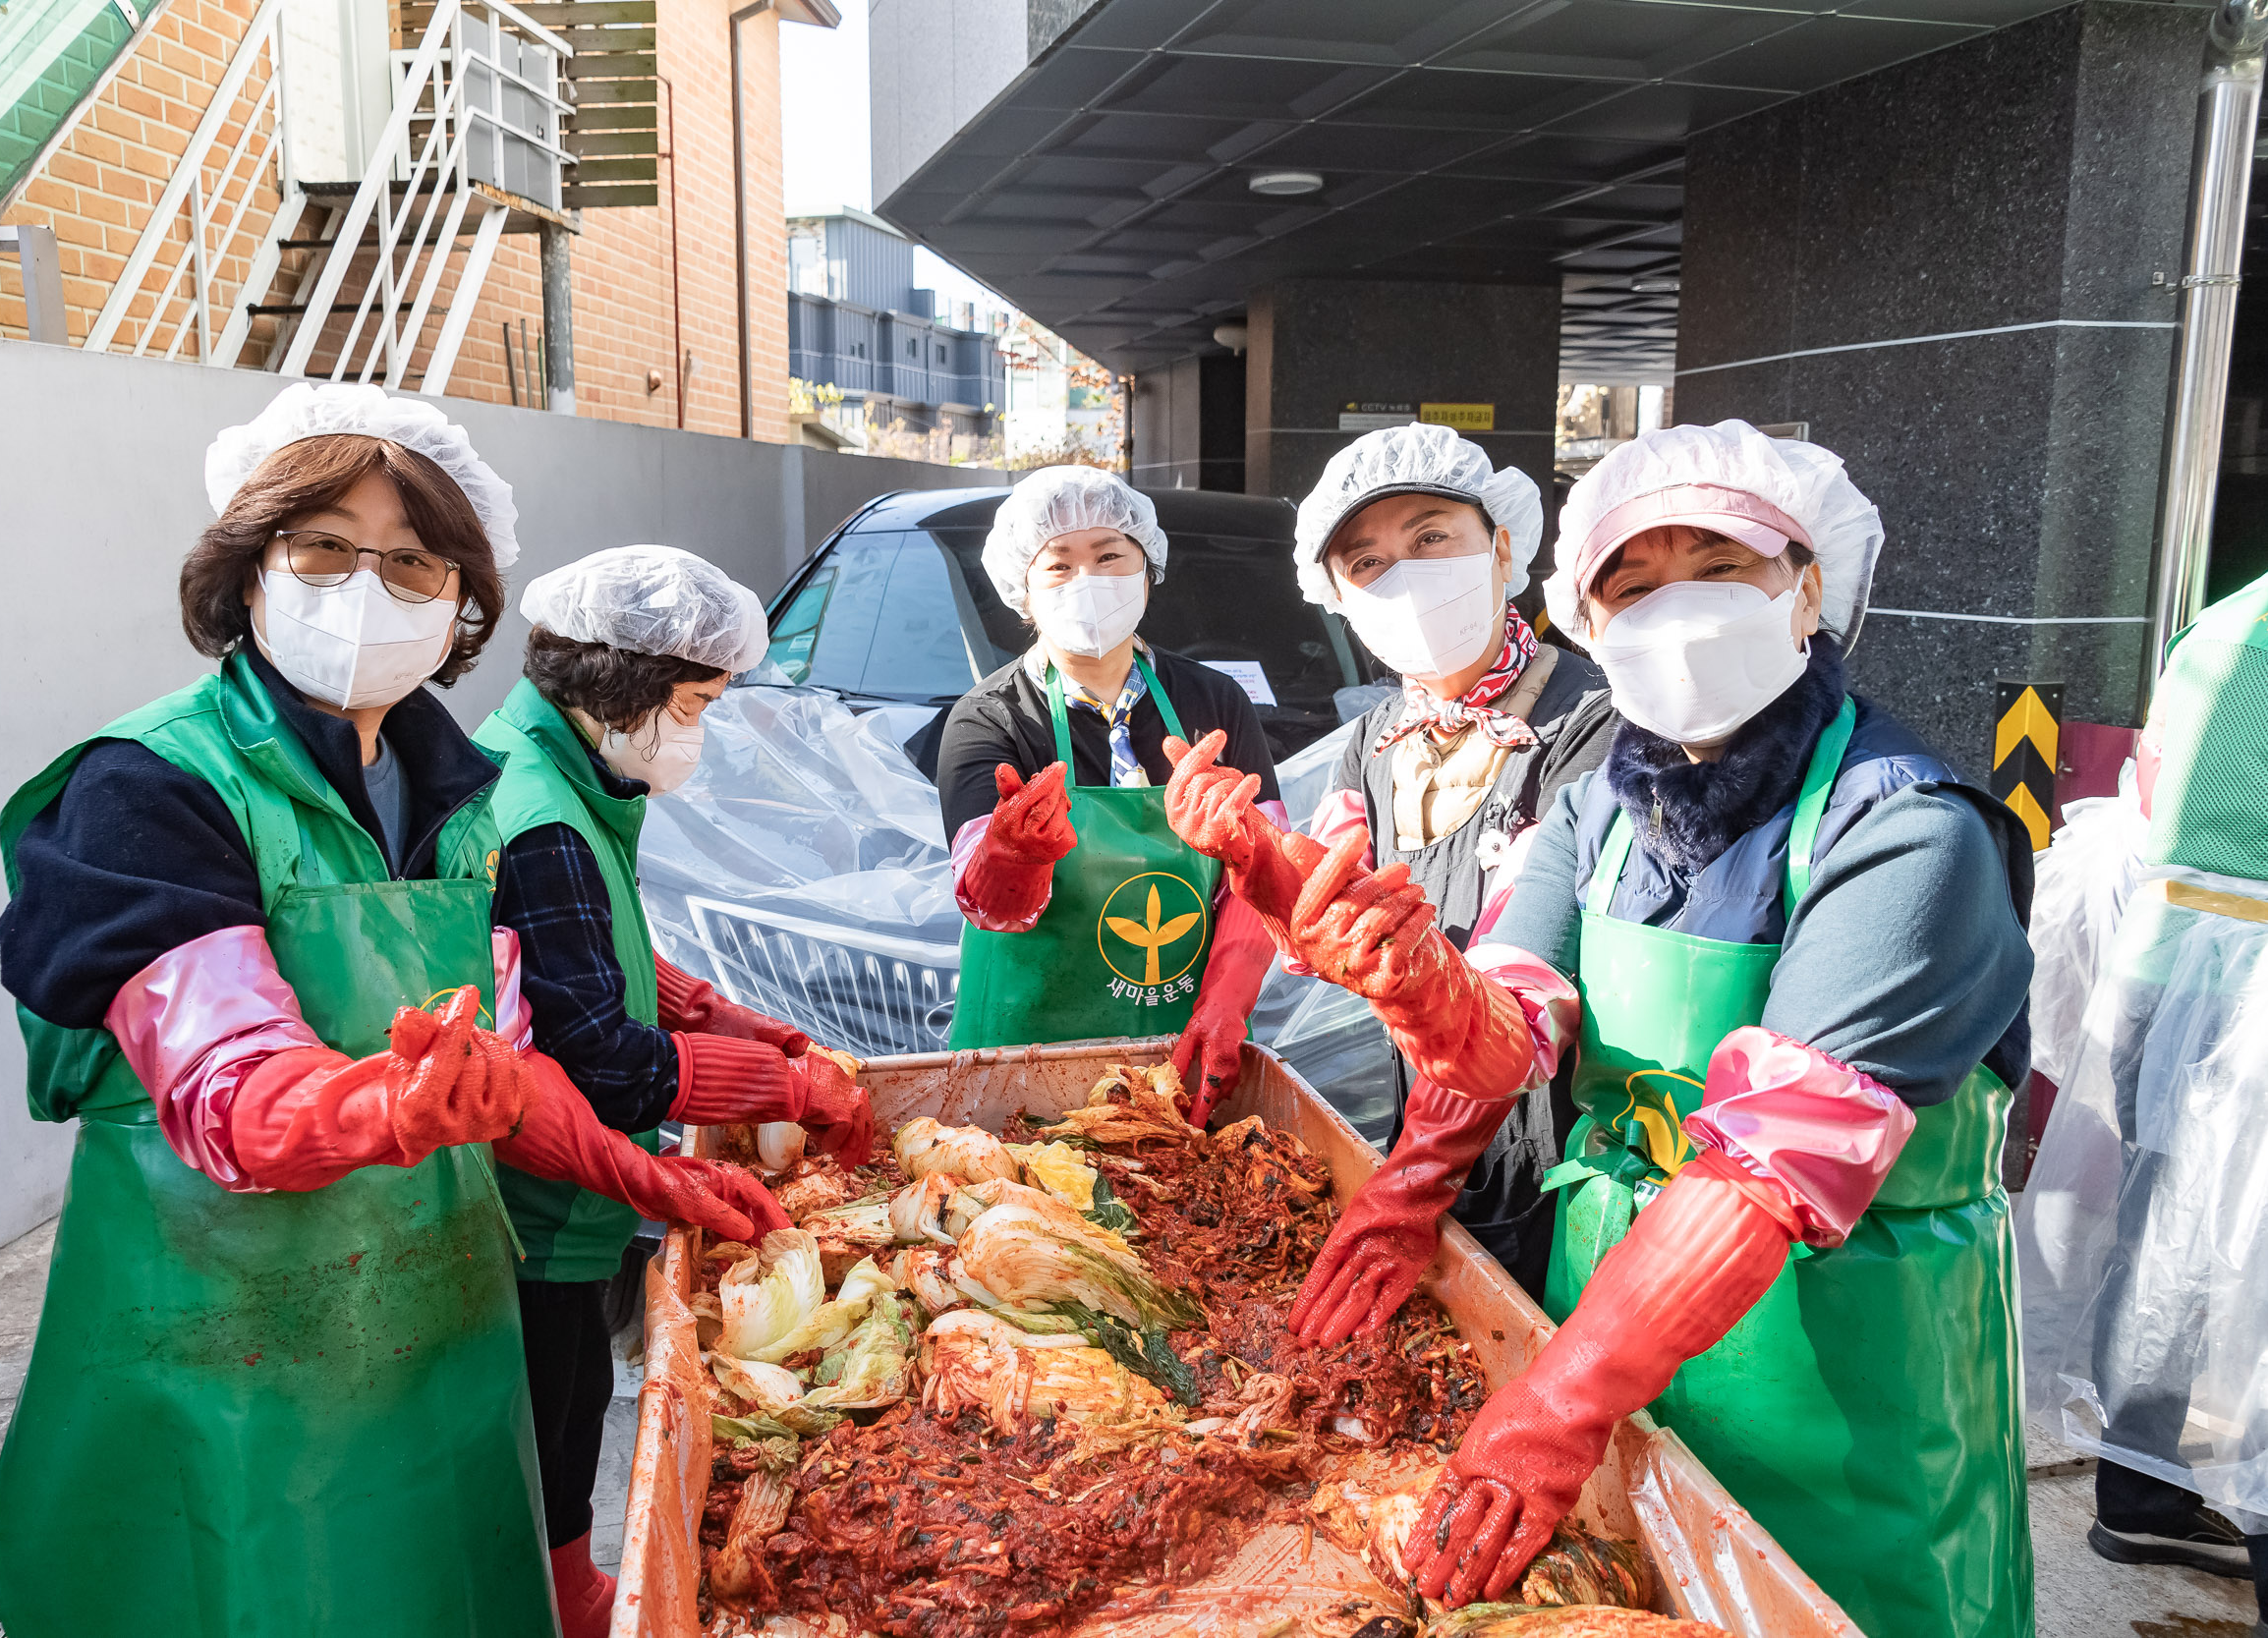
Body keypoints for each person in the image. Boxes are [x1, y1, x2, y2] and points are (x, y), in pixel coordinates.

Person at [1167, 421, 2035, 1637]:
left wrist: (1556, 1402)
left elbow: (1766, 1165)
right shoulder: (1598, 813)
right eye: (1632, 580)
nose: (1674, 607)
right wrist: (1414, 981)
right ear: (1592, 616)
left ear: (1809, 592)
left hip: (1843, 1374)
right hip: (1616, 1331)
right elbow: (1506, 1031)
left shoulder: (1907, 835)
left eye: (1719, 567)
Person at [0, 382, 783, 1638]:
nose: (366, 585)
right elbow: (230, 1083)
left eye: (412, 561)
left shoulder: (453, 800)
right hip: (221, 1355)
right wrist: (385, 1101)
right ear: (249, 569)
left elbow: (514, 1076)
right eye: (323, 546)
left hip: (431, 1340)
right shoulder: (148, 787)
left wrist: (650, 1176)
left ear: (462, 605)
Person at [474, 544, 873, 1636]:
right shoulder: (538, 812)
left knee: (574, 1400)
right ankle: (559, 1596)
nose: (699, 728)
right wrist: (781, 1082)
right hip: (536, 1203)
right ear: (618, 683)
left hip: (567, 1183)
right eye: (695, 701)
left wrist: (712, 1009)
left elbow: (594, 949)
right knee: (555, 1408)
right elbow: (601, 1053)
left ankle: (567, 1583)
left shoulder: (560, 771)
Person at [1280, 423, 1615, 1297]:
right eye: (1368, 563)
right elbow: (1320, 914)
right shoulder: (1374, 744)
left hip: (1565, 1147)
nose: (1406, 577)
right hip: (1421, 1119)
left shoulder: (1594, 726)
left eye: (1431, 538)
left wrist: (1417, 1179)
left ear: (1502, 546)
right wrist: (1251, 861)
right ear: (1340, 600)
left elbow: (1528, 978)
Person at [2018, 565, 2268, 1637]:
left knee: (2165, 1243)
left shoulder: (2229, 619)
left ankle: (2141, 1491)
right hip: (2247, 983)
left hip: (2170, 963)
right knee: (2249, 1280)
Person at [936, 466, 1280, 1115]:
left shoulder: (1214, 701)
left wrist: (1228, 998)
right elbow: (986, 905)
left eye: (1109, 557)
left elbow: (1266, 873)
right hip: (1023, 1064)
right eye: (1059, 565)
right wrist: (1012, 858)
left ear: (1146, 570)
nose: (1087, 580)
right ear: (1024, 593)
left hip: (1184, 1049)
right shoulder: (989, 717)